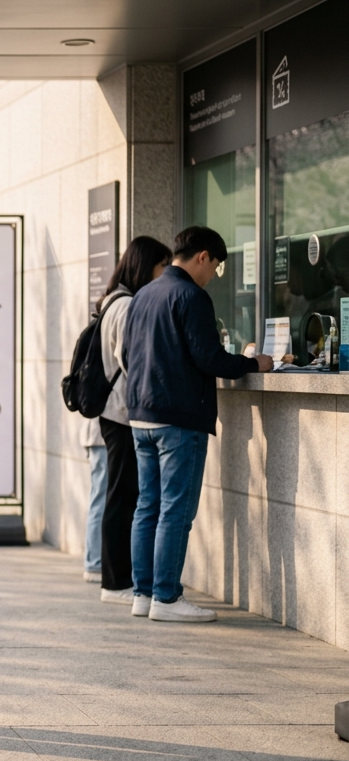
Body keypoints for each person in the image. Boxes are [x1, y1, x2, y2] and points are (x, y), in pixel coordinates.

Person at [122, 226, 271, 622]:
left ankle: (143, 593)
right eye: (217, 266)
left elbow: (126, 353)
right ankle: (167, 598)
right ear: (203, 256)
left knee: (147, 507)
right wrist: (254, 363)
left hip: (140, 415)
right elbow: (210, 358)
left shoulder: (142, 295)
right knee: (175, 510)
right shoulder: (191, 296)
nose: (213, 275)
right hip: (179, 418)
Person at [95, 236, 172, 605]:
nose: (163, 276)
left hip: (117, 413)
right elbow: (132, 359)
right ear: (146, 266)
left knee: (123, 496)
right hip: (122, 413)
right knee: (123, 497)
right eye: (160, 267)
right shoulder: (125, 305)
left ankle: (116, 579)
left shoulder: (114, 300)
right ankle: (115, 582)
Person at [80, 419, 106, 584]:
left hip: (96, 436)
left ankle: (94, 562)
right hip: (101, 437)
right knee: (100, 500)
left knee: (99, 499)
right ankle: (94, 563)